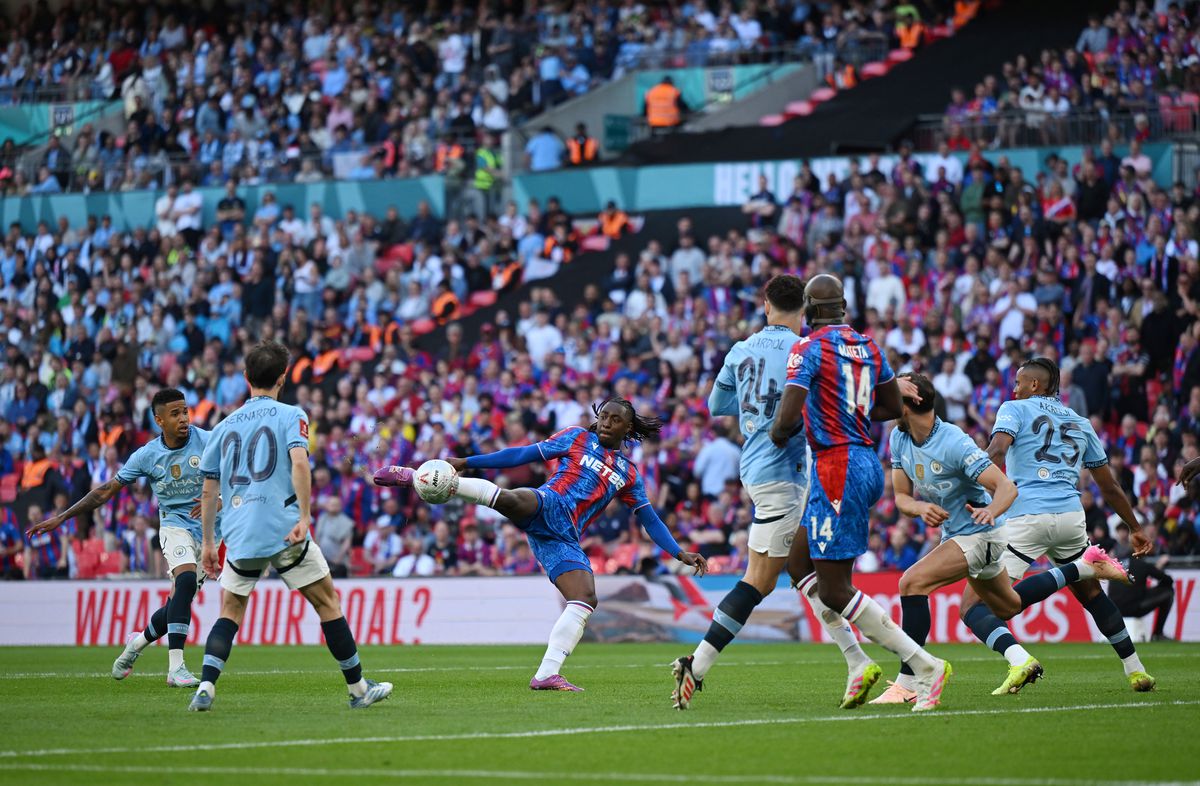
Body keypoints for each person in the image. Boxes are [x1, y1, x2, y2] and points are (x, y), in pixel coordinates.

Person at [373, 397, 707, 691]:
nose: (606, 423)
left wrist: (679, 552)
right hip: (548, 502)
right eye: (603, 416)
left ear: (628, 427)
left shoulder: (629, 473)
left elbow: (649, 519)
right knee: (513, 500)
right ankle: (418, 476)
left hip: (563, 537)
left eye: (615, 419)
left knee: (585, 597)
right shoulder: (577, 437)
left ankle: (547, 674)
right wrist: (467, 461)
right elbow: (521, 454)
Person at [671, 274, 873, 711]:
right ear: (804, 308)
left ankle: (858, 661)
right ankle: (863, 660)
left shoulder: (740, 350)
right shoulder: (807, 350)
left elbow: (717, 406)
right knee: (766, 578)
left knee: (797, 572)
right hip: (793, 471)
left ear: (765, 304)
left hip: (760, 470)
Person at [872, 372, 1130, 705]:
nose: (887, 400)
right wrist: (919, 507)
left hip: (983, 533)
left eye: (896, 393)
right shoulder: (899, 438)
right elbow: (902, 497)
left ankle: (911, 680)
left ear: (912, 403)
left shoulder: (953, 441)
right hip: (961, 535)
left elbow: (1006, 488)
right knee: (1007, 605)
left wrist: (991, 510)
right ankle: (1081, 568)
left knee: (911, 583)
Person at [768, 274, 951, 713]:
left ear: (808, 309)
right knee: (798, 562)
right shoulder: (870, 347)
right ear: (845, 307)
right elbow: (890, 407)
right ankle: (857, 662)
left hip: (837, 467)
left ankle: (924, 666)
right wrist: (850, 407)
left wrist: (780, 427)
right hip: (867, 462)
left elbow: (784, 424)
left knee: (834, 590)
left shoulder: (807, 348)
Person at [191, 341, 392, 711]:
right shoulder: (290, 414)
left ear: (246, 378)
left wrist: (207, 543)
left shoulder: (222, 427)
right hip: (284, 529)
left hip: (239, 535)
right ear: (283, 378)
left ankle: (206, 686)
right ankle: (359, 689)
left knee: (230, 610)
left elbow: (208, 489)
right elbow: (299, 463)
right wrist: (304, 516)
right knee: (328, 602)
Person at [977, 357, 1156, 692]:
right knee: (1093, 598)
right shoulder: (1080, 421)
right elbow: (1109, 486)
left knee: (981, 606)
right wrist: (1135, 527)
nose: (1013, 388)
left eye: (1018, 382)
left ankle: (1020, 660)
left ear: (1034, 385)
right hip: (1072, 517)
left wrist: (971, 479)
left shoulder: (1013, 409)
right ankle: (1136, 670)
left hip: (1028, 516)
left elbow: (998, 450)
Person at [27, 389, 219, 687]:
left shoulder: (208, 441)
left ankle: (136, 645)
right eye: (175, 414)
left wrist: (218, 501)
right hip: (173, 526)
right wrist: (63, 517)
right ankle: (176, 668)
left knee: (178, 602)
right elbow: (105, 491)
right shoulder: (147, 455)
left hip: (209, 532)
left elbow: (239, 476)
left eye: (185, 412)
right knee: (183, 582)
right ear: (159, 420)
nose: (183, 419)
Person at [1108, 541, 1175, 642]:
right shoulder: (1142, 564)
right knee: (1168, 592)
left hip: (1113, 609)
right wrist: (1159, 567)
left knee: (1136, 591)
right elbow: (1168, 580)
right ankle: (1158, 634)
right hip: (1133, 608)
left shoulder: (1117, 564)